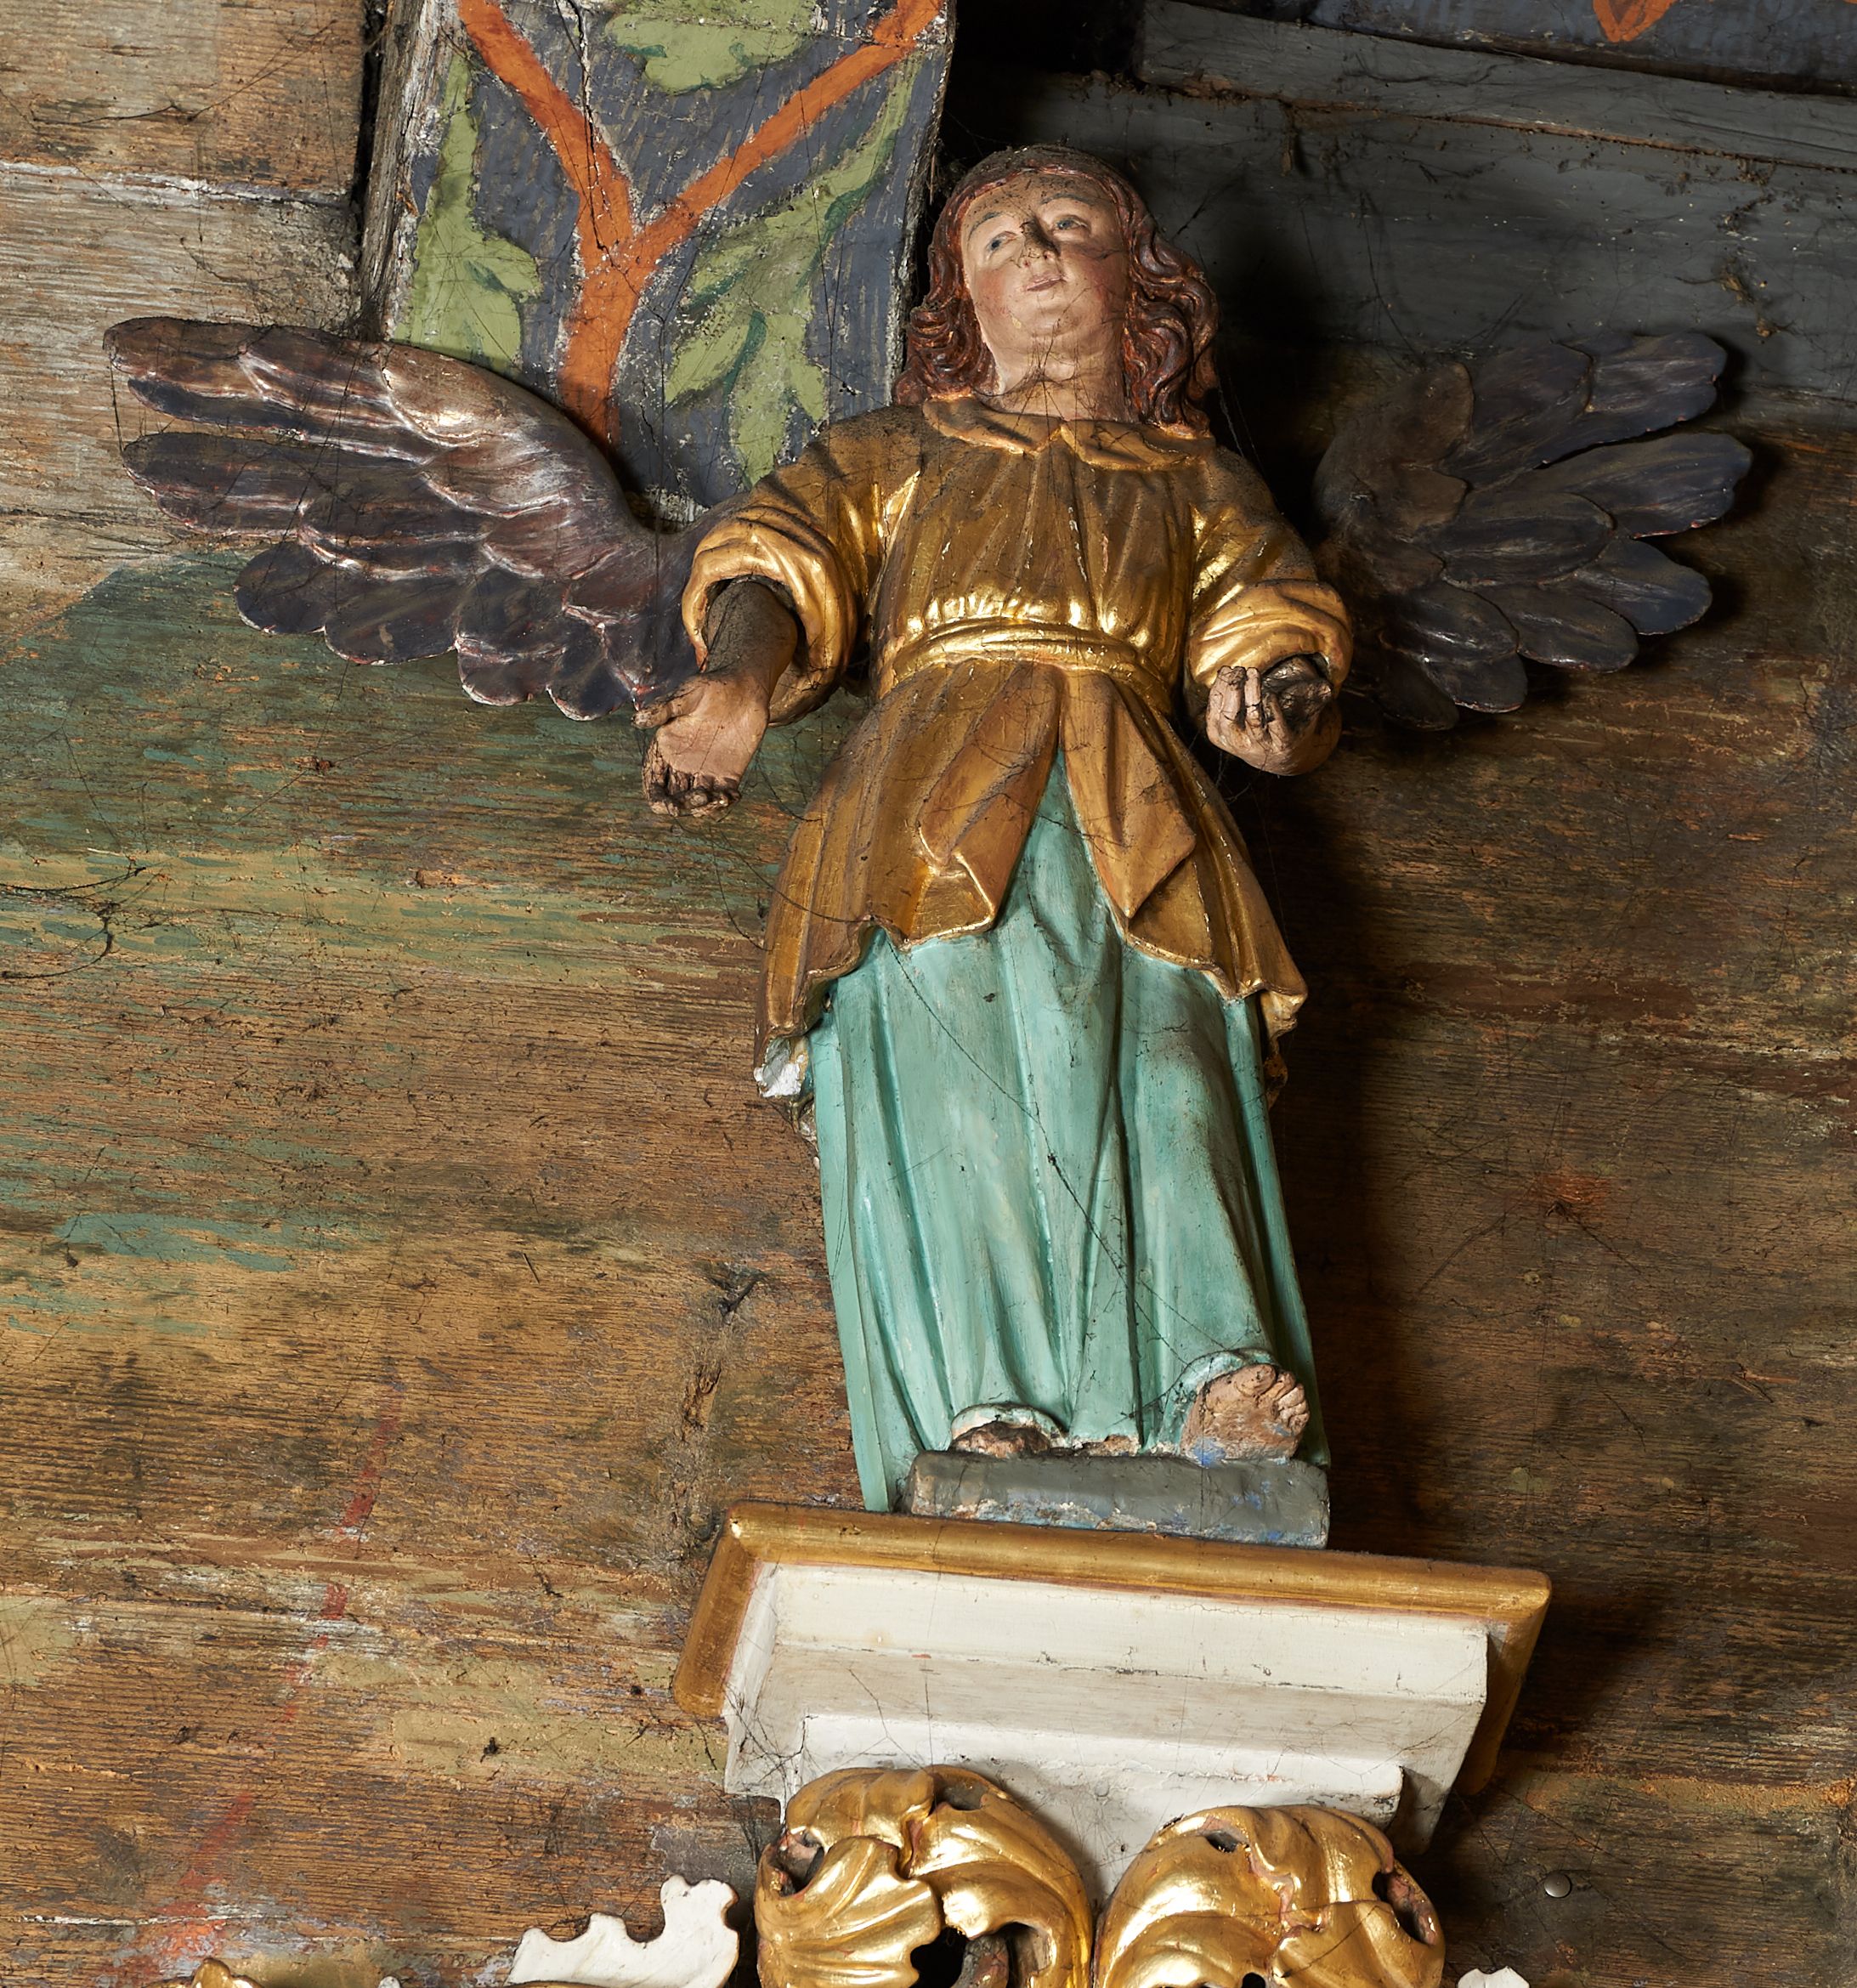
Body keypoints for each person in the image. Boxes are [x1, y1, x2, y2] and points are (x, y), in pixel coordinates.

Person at [635, 144, 1351, 1513]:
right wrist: (733, 684)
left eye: (1067, 225)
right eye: (997, 240)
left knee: (1169, 1069)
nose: (1034, 253)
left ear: (1135, 277)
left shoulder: (1195, 481)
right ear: (960, 299)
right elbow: (779, 563)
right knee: (957, 1074)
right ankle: (993, 1403)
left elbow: (1270, 631)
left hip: (1132, 795)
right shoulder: (896, 451)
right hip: (927, 791)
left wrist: (1277, 706)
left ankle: (1207, 1385)